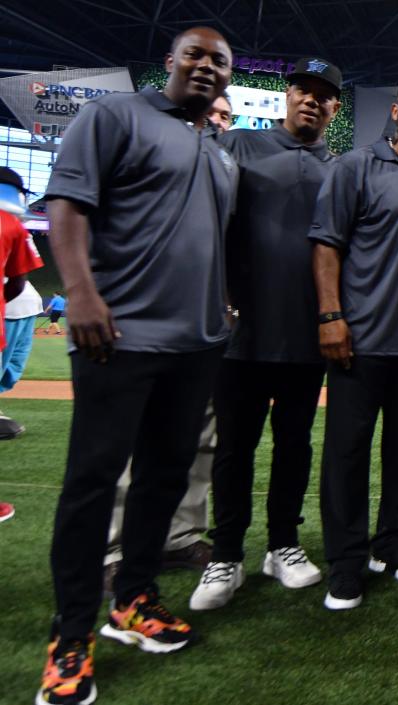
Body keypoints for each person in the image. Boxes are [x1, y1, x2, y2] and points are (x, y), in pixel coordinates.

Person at [39, 27, 236, 705]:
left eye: (220, 61)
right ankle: (70, 635)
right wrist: (82, 292)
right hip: (118, 336)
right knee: (92, 483)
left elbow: (208, 241)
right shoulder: (114, 115)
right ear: (171, 61)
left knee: (162, 479)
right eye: (197, 54)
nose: (207, 66)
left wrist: (223, 306)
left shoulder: (217, 153)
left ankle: (135, 597)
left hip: (195, 344)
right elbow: (66, 205)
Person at [189, 58, 344, 610]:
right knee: (234, 447)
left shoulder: (340, 167)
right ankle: (226, 554)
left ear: (334, 107)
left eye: (322, 94)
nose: (310, 99)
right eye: (302, 88)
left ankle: (283, 544)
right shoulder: (240, 149)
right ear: (287, 95)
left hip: (306, 333)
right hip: (242, 332)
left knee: (294, 445)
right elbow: (204, 223)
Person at [309, 73, 398, 610]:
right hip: (362, 339)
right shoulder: (354, 166)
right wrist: (330, 316)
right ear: (395, 110)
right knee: (346, 453)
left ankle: (392, 543)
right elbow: (326, 244)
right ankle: (346, 562)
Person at [101, 63, 239, 595]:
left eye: (226, 115)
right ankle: (115, 548)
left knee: (200, 439)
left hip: (203, 331)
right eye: (214, 113)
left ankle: (180, 535)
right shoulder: (143, 145)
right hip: (143, 325)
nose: (218, 120)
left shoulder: (225, 167)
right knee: (133, 442)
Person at [0, 167, 43, 443]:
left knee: (9, 368)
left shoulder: (16, 226)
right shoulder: (13, 225)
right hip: (13, 307)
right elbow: (17, 280)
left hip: (22, 305)